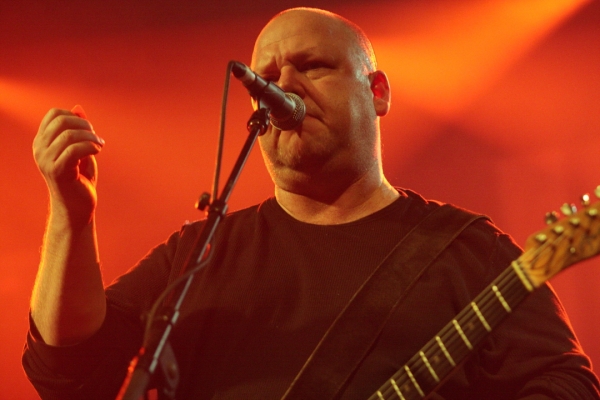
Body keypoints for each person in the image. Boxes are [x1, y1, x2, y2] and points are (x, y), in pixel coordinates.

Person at [23, 7, 600, 400]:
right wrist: (71, 216)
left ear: (378, 92)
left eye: (314, 67)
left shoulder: (468, 251)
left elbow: (568, 387)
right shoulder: (198, 254)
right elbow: (68, 370)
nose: (285, 86)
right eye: (267, 77)